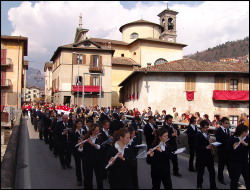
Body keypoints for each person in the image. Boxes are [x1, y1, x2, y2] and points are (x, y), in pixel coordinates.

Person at [195, 120, 218, 189]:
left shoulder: (207, 134)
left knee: (212, 172)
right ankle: (199, 185)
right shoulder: (197, 135)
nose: (206, 129)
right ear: (201, 127)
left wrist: (211, 143)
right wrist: (205, 147)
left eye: (207, 127)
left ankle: (213, 186)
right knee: (201, 172)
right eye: (205, 128)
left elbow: (208, 142)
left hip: (209, 156)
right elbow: (196, 147)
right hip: (201, 156)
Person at [227, 124, 249, 189]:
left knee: (247, 179)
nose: (247, 133)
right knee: (234, 180)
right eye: (245, 131)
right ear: (241, 131)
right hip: (235, 163)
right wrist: (233, 147)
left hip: (245, 162)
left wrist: (246, 144)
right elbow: (228, 150)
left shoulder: (247, 138)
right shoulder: (232, 138)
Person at [82, 123, 103, 189]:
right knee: (88, 178)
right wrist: (80, 146)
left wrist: (93, 144)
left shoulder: (99, 138)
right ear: (92, 131)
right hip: (88, 161)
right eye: (96, 130)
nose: (98, 132)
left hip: (98, 160)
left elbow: (100, 147)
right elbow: (81, 151)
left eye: (98, 130)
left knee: (99, 178)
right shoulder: (86, 138)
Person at [215, 117, 231, 185]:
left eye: (228, 123)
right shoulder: (218, 130)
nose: (227, 124)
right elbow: (219, 141)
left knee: (230, 166)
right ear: (222, 123)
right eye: (226, 123)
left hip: (228, 151)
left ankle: (233, 179)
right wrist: (228, 139)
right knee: (221, 165)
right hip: (221, 151)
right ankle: (220, 178)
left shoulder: (228, 130)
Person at [72, 119, 85, 186]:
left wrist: (84, 138)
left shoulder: (84, 131)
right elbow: (71, 142)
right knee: (78, 165)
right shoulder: (73, 132)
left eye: (80, 124)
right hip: (76, 151)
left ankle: (86, 179)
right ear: (76, 124)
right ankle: (79, 179)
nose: (80, 125)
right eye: (78, 124)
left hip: (84, 150)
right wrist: (77, 142)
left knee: (85, 165)